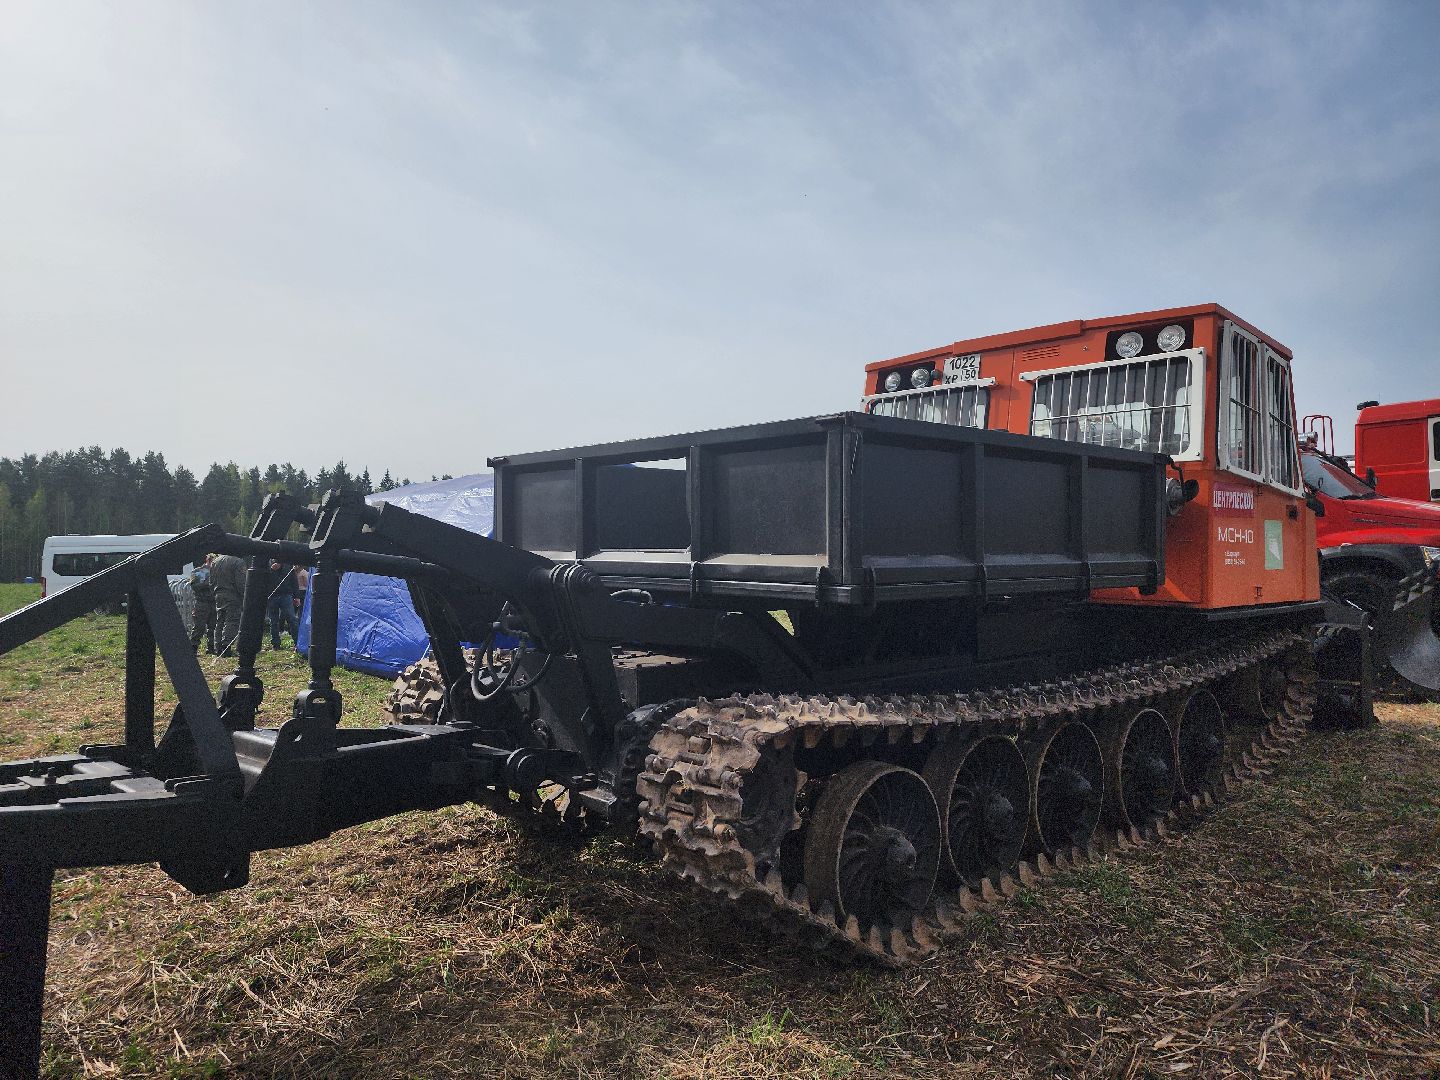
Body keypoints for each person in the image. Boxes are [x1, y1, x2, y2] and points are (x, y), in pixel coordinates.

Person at [209, 553, 247, 656]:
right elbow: (241, 583)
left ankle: (218, 647)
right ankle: (226, 646)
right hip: (232, 595)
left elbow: (211, 581)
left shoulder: (215, 561)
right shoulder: (238, 561)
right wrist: (245, 596)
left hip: (218, 594)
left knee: (220, 621)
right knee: (232, 621)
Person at [267, 560, 300, 650]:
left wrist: (297, 596)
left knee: (292, 619)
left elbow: (294, 580)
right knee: (273, 621)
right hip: (271, 596)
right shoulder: (266, 564)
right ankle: (275, 644)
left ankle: (298, 643)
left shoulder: (288, 565)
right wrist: (271, 570)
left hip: (286, 595)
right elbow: (262, 580)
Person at [189, 555, 216, 654]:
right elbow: (193, 586)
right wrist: (205, 584)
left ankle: (211, 647)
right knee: (199, 626)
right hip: (201, 602)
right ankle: (194, 646)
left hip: (214, 601)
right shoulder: (197, 571)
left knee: (213, 626)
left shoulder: (218, 571)